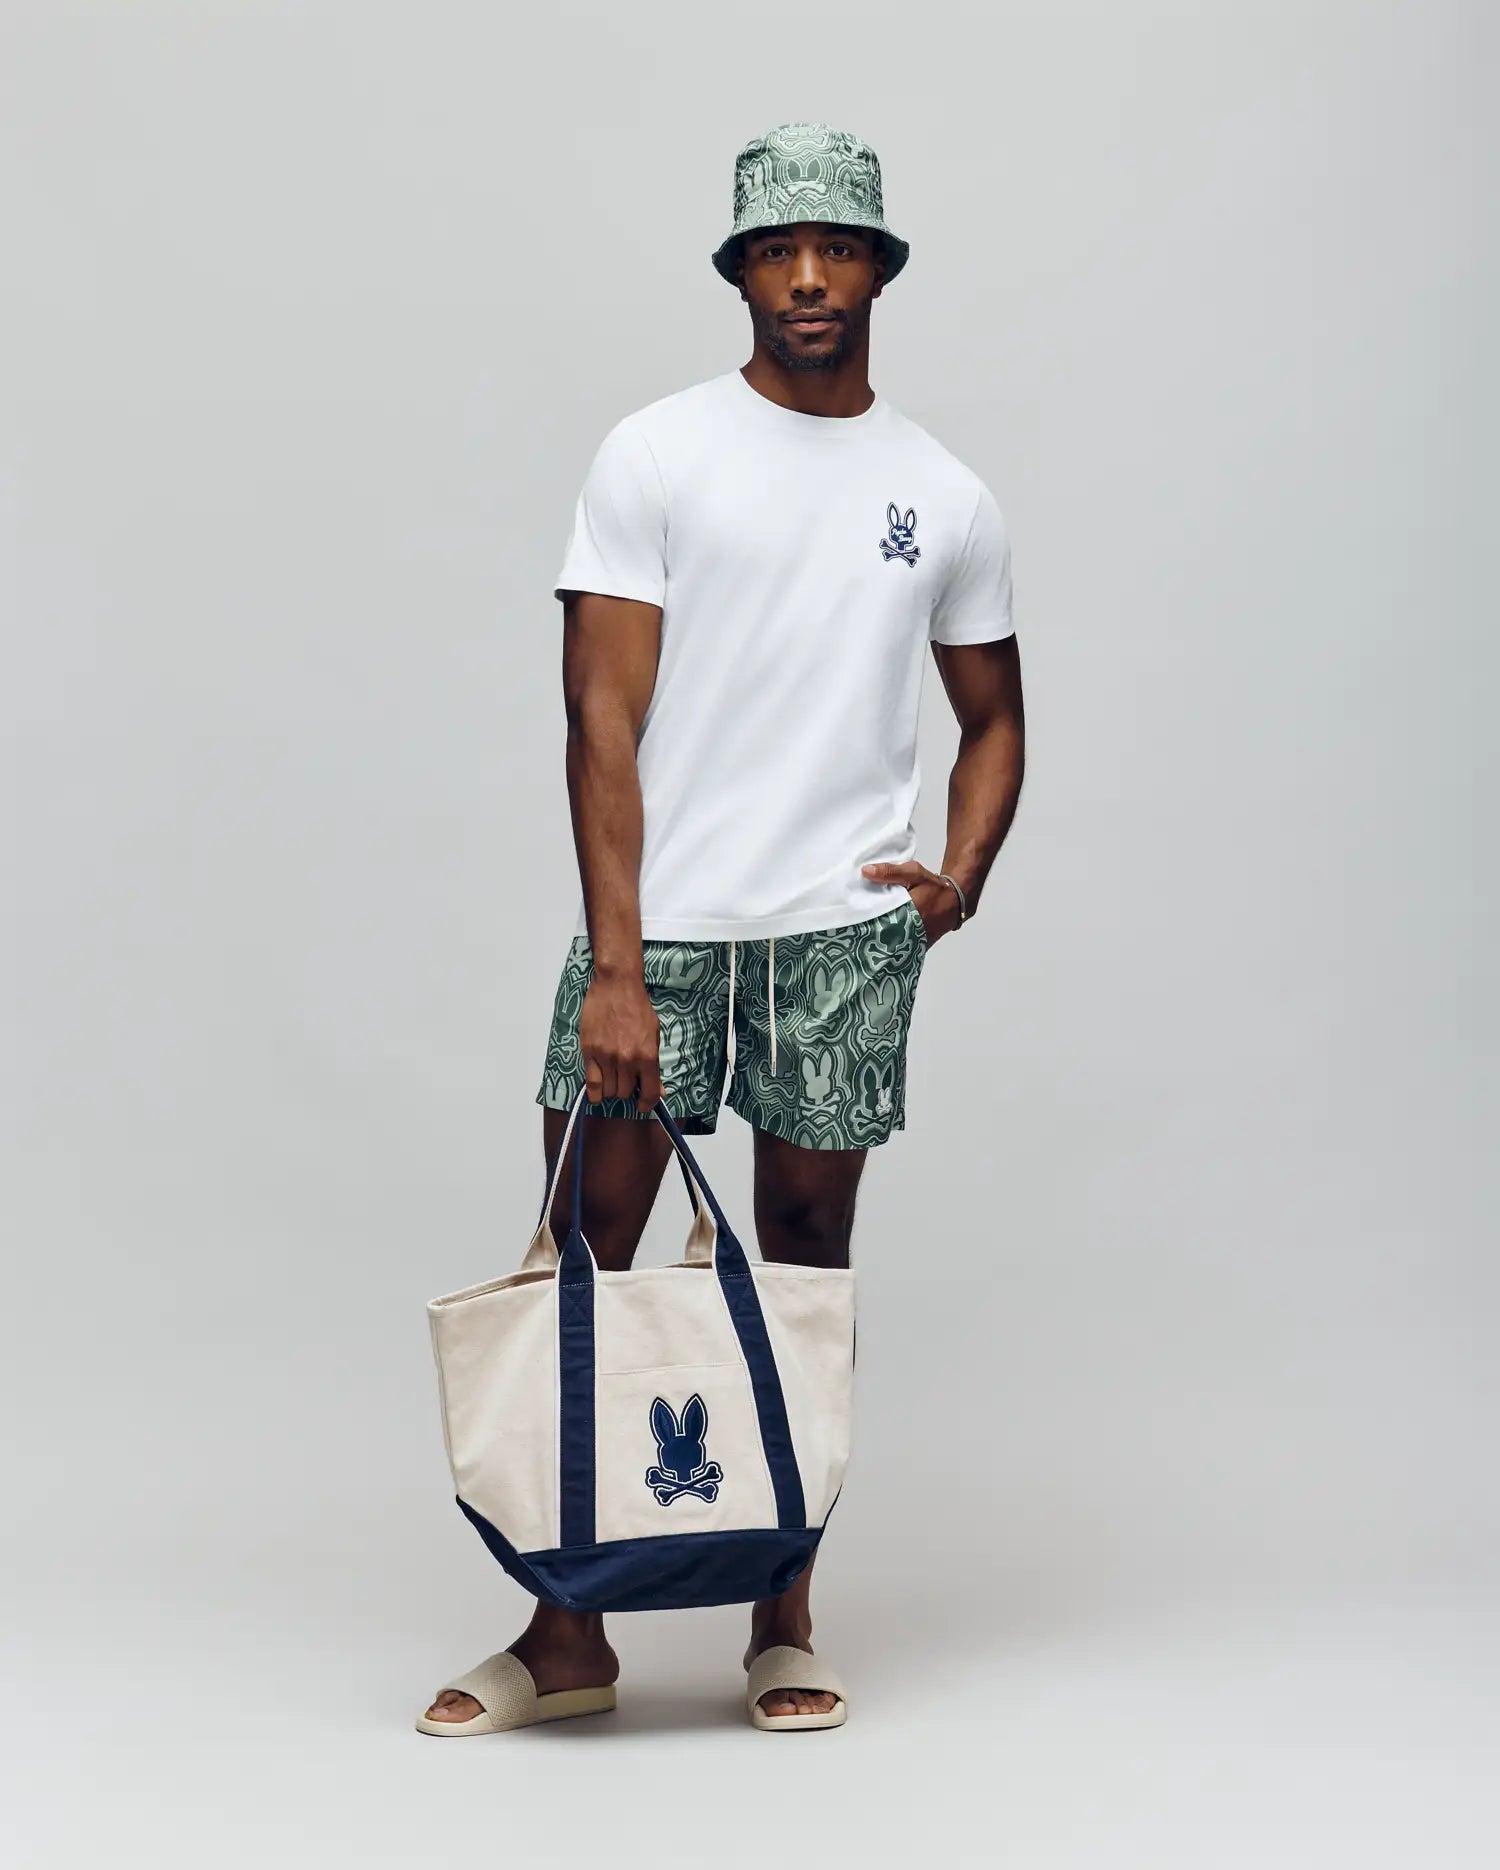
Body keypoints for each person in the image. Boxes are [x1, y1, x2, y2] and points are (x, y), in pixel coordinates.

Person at [421, 120, 1025, 1735]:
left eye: (836, 248)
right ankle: (566, 1636)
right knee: (589, 1252)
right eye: (777, 250)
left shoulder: (944, 491)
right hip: (666, 937)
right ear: (742, 271)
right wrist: (619, 966)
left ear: (879, 268)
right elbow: (598, 722)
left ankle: (784, 1616)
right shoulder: (658, 453)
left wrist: (957, 875)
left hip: (839, 939)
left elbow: (994, 714)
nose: (808, 277)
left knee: (806, 1268)